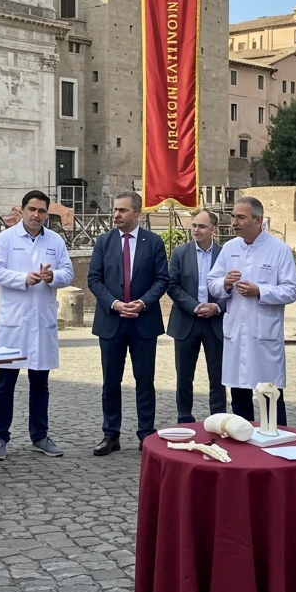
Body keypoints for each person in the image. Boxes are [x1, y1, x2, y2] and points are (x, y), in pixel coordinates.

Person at [0, 190, 75, 460]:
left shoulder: (55, 240)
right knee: (5, 384)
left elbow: (68, 273)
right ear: (22, 210)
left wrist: (52, 276)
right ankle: (0, 437)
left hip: (42, 319)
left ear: (48, 214)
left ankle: (40, 435)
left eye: (42, 211)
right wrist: (24, 278)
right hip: (14, 321)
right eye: (32, 210)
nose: (36, 215)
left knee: (40, 383)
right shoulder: (6, 238)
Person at [87, 191, 168, 455]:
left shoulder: (153, 242)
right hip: (111, 321)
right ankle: (111, 435)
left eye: (122, 210)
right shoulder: (103, 241)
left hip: (143, 322)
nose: (116, 215)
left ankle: (146, 434)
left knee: (145, 380)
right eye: (115, 210)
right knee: (111, 381)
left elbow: (162, 280)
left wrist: (142, 303)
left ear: (137, 213)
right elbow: (94, 279)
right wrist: (115, 303)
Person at [207, 197, 296, 423]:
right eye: (233, 216)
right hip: (236, 334)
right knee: (239, 396)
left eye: (241, 217)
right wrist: (226, 284)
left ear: (258, 220)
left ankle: (276, 441)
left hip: (264, 335)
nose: (234, 222)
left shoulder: (278, 249)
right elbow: (212, 283)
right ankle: (243, 442)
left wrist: (260, 291)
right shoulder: (230, 248)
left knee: (270, 396)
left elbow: (292, 290)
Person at [166, 208, 227, 423]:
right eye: (193, 225)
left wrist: (216, 307)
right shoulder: (180, 253)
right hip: (186, 321)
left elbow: (231, 289)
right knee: (184, 375)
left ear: (214, 229)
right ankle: (184, 417)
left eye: (201, 226)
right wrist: (194, 306)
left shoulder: (224, 254)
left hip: (216, 323)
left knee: (218, 377)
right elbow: (172, 286)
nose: (196, 230)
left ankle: (218, 419)